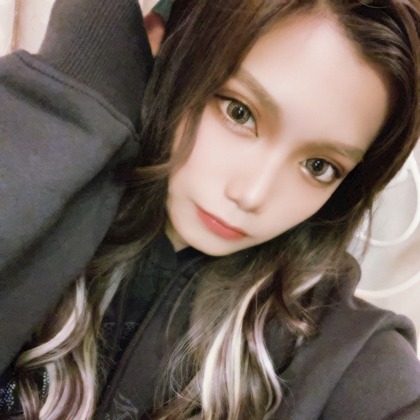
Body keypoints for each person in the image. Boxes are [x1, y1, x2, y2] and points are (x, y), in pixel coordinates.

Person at [0, 0, 419, 418]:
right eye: (239, 112)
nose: (252, 195)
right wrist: (72, 90)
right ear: (172, 51)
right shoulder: (52, 205)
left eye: (319, 166)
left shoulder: (349, 356)